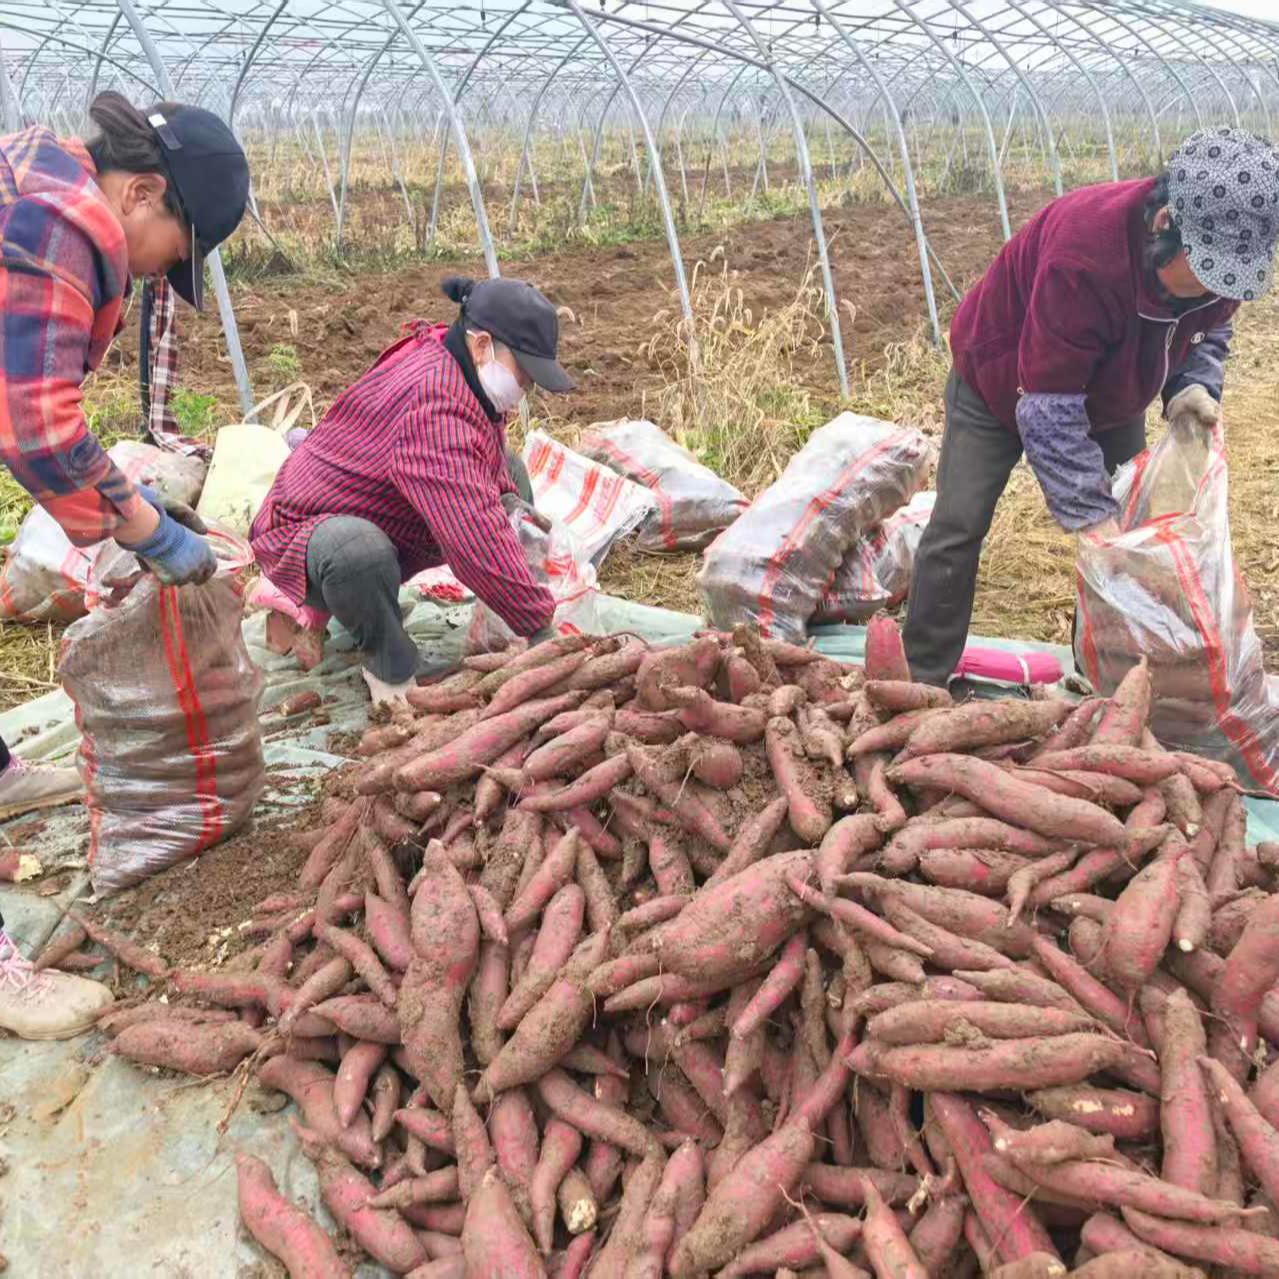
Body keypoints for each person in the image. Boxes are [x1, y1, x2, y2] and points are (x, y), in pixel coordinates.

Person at [0, 93, 249, 1038]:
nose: (157, 272)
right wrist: (145, 528)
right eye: (171, 248)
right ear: (141, 191)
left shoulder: (42, 174)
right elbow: (39, 429)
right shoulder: (63, 218)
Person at [904, 127, 1279, 688]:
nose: (1214, 291)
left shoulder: (1217, 263)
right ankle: (920, 680)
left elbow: (1208, 332)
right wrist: (1087, 512)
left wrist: (1190, 386)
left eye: (1228, 280)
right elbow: (1049, 406)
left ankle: (1103, 681)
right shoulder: (1085, 254)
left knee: (1126, 544)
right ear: (1164, 225)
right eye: (1205, 275)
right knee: (960, 524)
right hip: (1001, 380)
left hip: (1112, 390)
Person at [250, 276, 573, 707]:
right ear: (482, 346)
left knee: (509, 472)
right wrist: (541, 626)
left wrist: (506, 497)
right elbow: (471, 534)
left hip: (379, 507)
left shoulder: (457, 361)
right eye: (525, 374)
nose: (526, 389)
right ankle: (388, 670)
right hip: (305, 532)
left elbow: (483, 457)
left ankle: (500, 623)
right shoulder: (433, 404)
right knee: (358, 553)